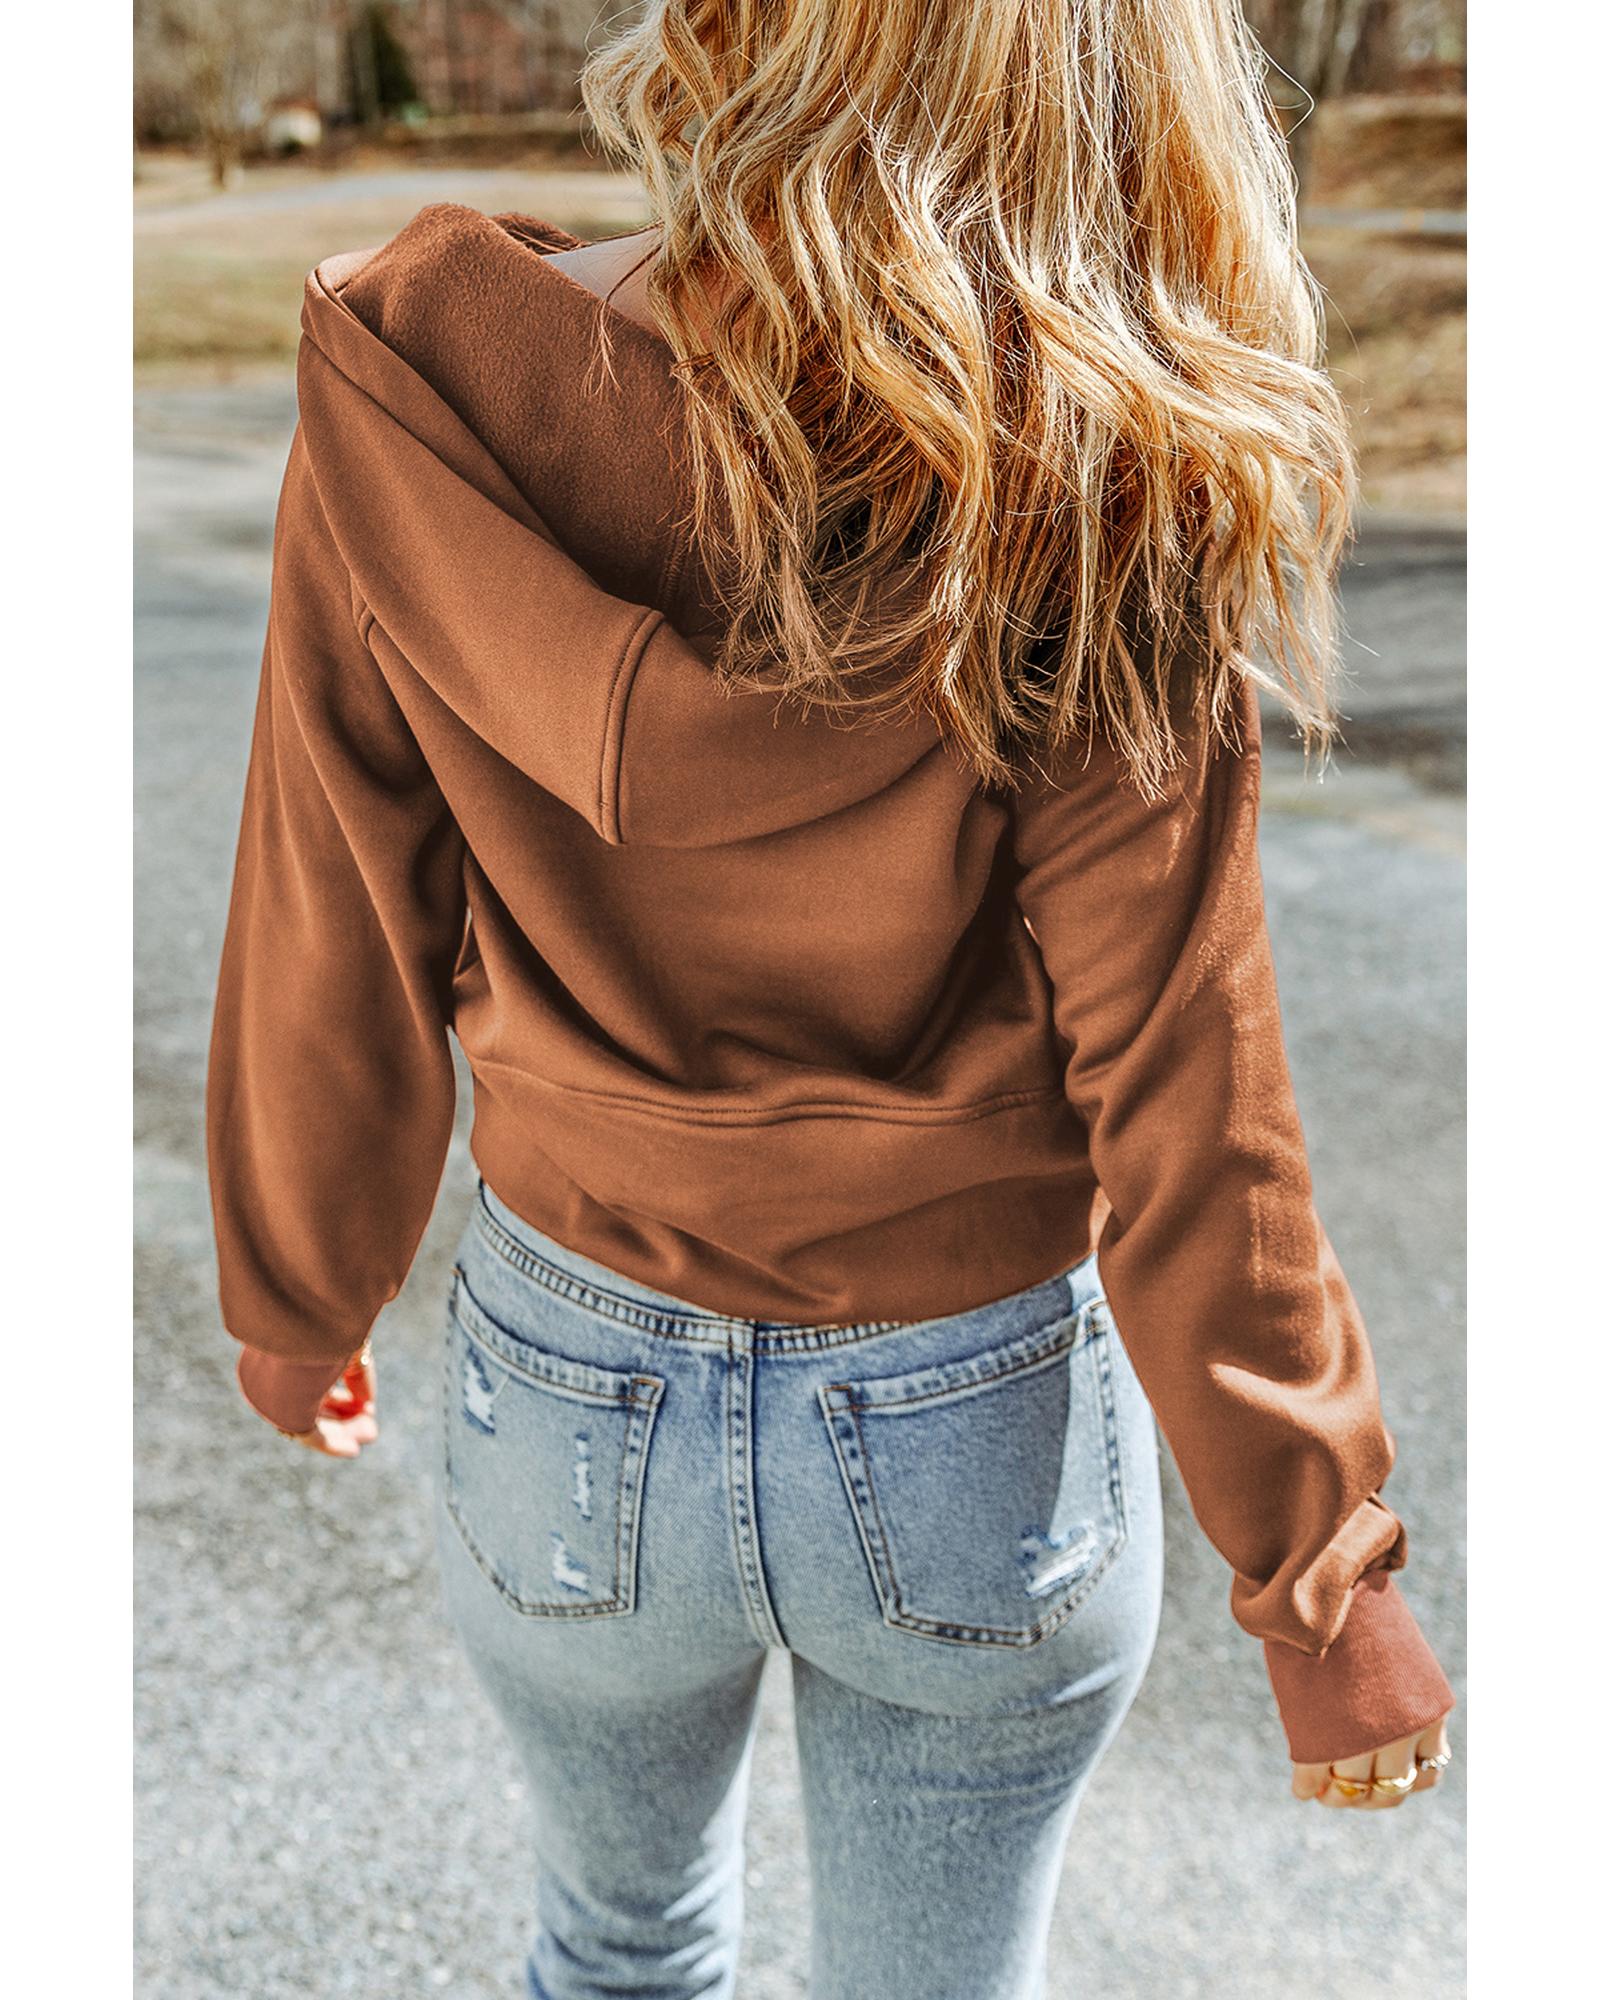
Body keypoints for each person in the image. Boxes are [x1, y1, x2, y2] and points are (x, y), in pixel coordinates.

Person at [205, 2, 1455, 1993]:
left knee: (613, 1951)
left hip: (568, 1388)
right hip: (974, 1416)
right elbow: (1186, 1096)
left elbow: (332, 906)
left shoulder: (422, 383)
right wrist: (1320, 1576)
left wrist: (298, 1290)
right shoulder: (1098, 466)